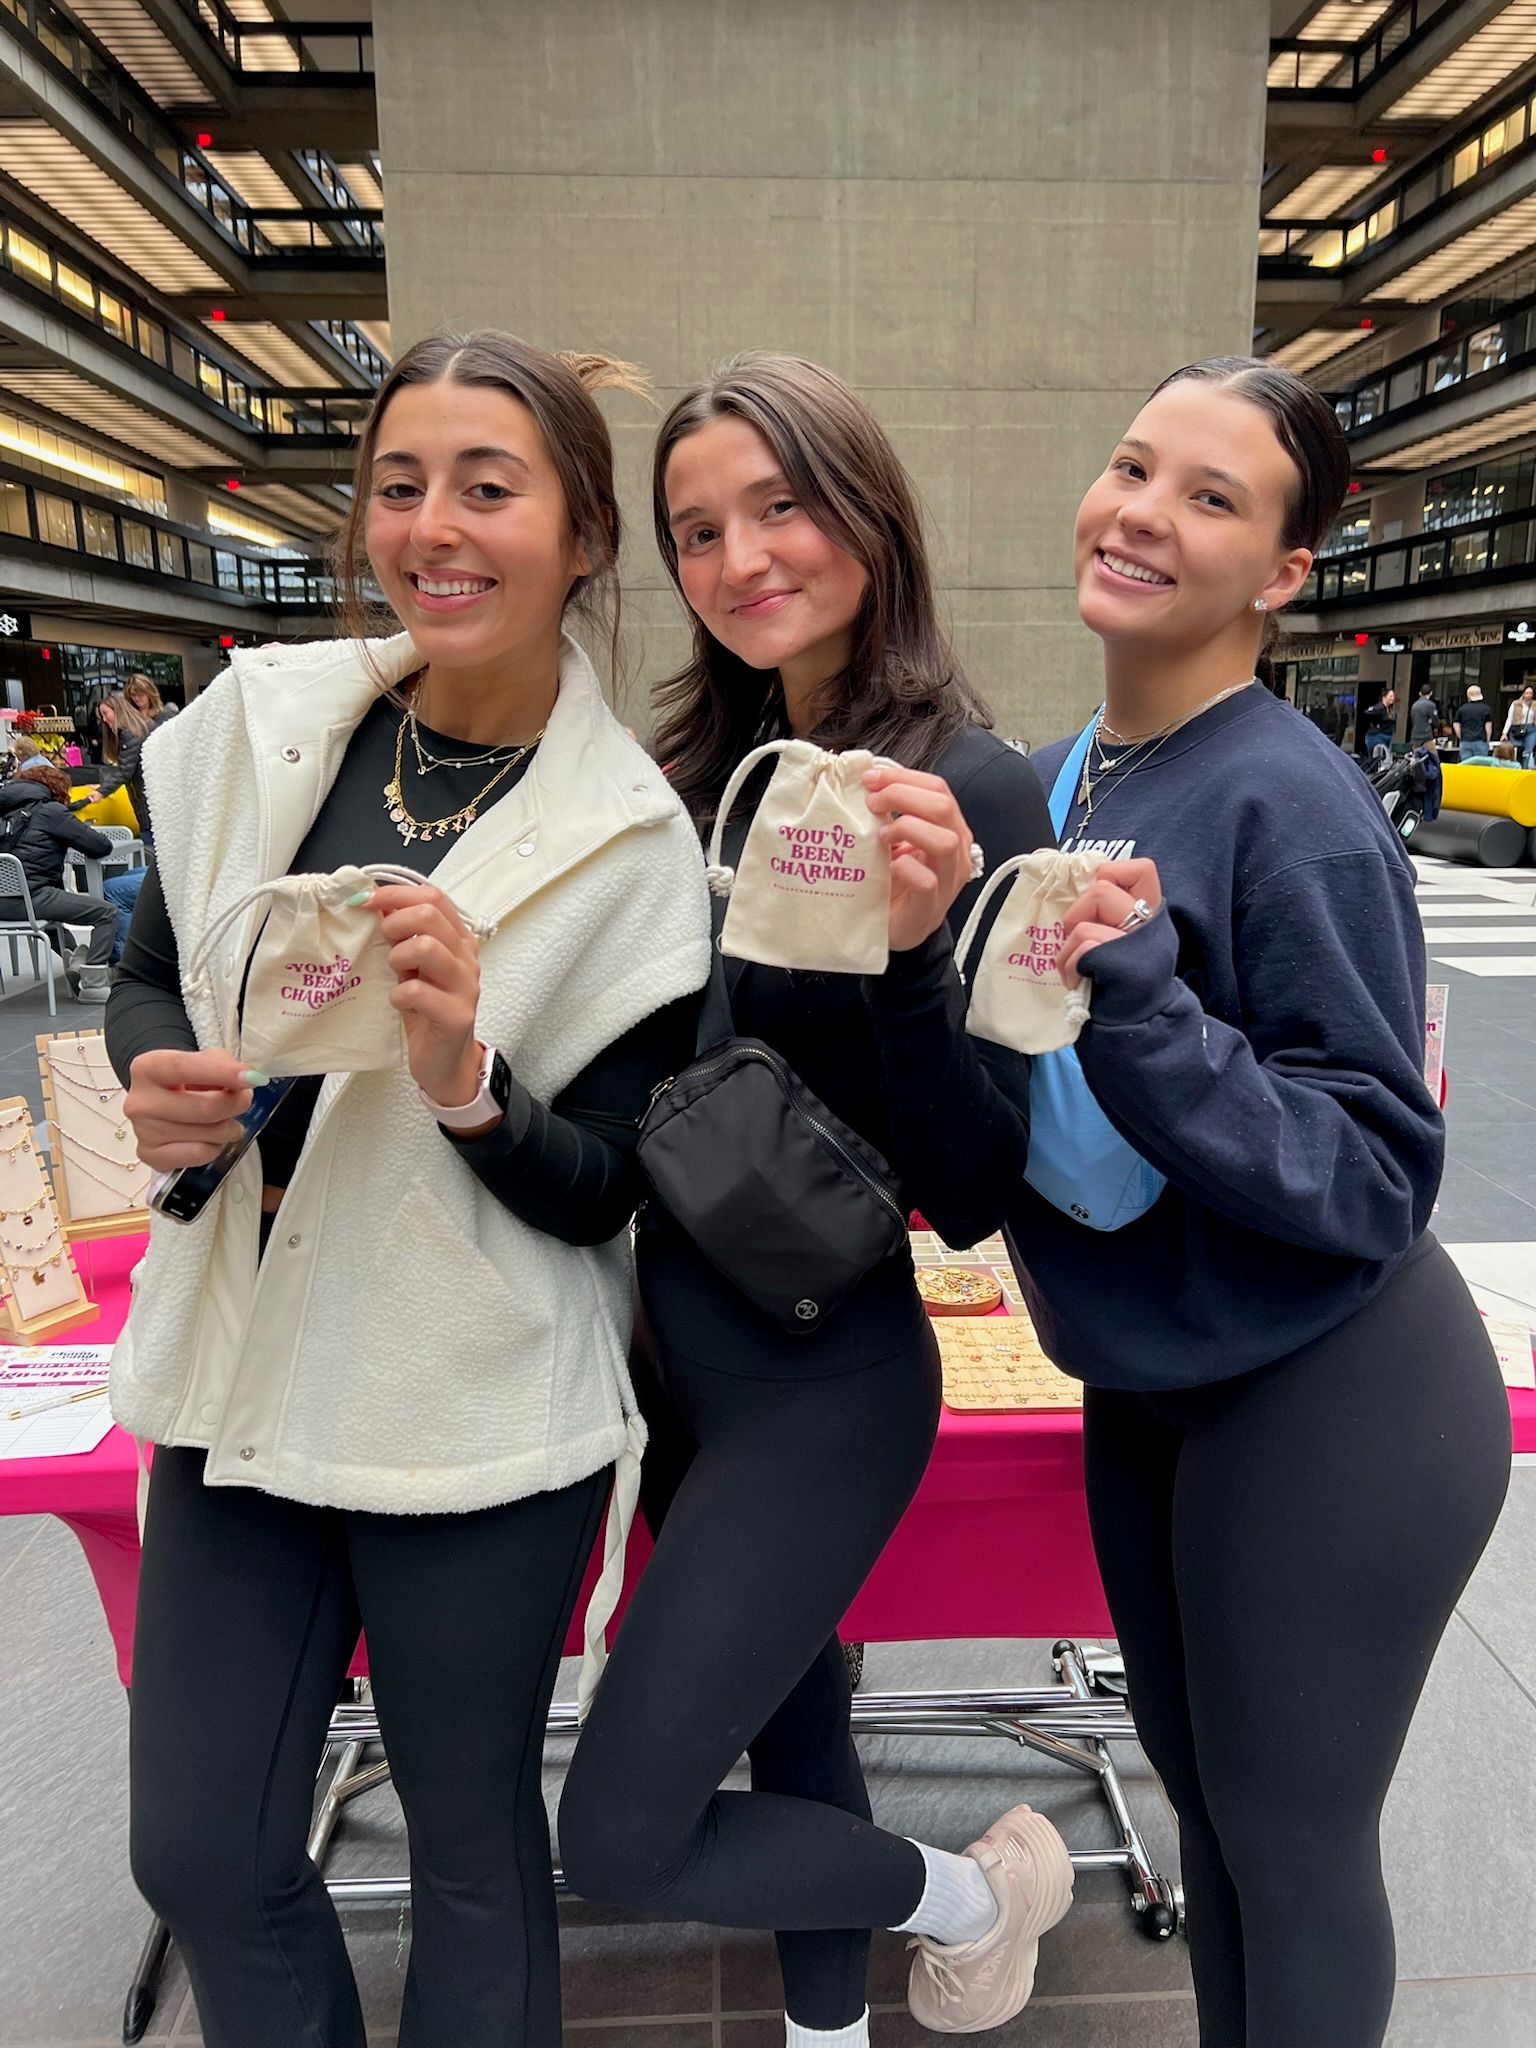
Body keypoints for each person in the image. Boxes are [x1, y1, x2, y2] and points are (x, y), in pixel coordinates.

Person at [105, 330, 713, 2048]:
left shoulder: (627, 840)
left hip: (469, 1398)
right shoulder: (265, 726)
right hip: (247, 1356)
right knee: (205, 1850)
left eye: (488, 486)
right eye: (399, 483)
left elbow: (605, 1192)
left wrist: (465, 1082)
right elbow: (157, 967)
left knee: (466, 1850)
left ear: (584, 536)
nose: (434, 525)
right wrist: (164, 1073)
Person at [559, 353, 1069, 2048]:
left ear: (867, 512)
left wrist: (918, 959)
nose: (742, 554)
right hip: (677, 1365)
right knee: (795, 1719)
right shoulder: (690, 769)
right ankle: (829, 2031)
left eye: (780, 503)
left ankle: (983, 1894)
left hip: (825, 1380)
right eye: (698, 526)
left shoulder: (966, 788)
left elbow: (976, 1183)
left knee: (621, 1829)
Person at [1003, 356, 1510, 2048]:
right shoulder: (1078, 768)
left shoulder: (1286, 796)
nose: (1142, 510)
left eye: (1210, 497)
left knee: (1289, 1848)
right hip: (1157, 1373)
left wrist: (1144, 1000)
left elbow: (1372, 1163)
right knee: (1212, 1825)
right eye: (1135, 464)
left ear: (1284, 573)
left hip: (1330, 1381)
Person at [0, 757, 118, 1000]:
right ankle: (94, 983)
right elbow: (100, 846)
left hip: (5, 903)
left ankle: (76, 958)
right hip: (31, 899)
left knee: (53, 917)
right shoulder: (50, 811)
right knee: (106, 913)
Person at [94, 692, 157, 840]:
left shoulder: (129, 734)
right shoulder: (140, 728)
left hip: (146, 803)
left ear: (117, 710)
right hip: (151, 801)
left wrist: (101, 791)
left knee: (150, 846)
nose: (104, 719)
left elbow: (125, 770)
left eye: (105, 713)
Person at [1454, 682, 1494, 759]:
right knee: (1480, 767)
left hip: (1465, 741)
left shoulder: (1462, 709)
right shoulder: (1486, 709)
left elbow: (1456, 724)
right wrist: (1487, 740)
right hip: (1481, 741)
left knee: (1466, 767)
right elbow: (1488, 726)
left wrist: (1461, 736)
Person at [1502, 683, 1536, 768]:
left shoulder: (1535, 704)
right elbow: (1509, 718)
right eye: (1526, 693)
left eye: (1530, 693)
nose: (1528, 695)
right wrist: (1504, 733)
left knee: (1528, 751)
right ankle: (1516, 766)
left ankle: (1525, 767)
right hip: (1517, 728)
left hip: (1531, 728)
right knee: (1516, 749)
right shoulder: (1516, 703)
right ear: (1523, 693)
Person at [1362, 686, 1395, 763]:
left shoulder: (1389, 709)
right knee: (1379, 760)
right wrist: (1375, 723)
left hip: (1387, 737)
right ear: (1384, 697)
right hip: (1377, 737)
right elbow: (1367, 712)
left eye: (1393, 696)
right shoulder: (1379, 708)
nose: (1393, 698)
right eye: (1390, 696)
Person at [1407, 682, 1438, 747]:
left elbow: (1413, 719)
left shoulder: (1414, 705)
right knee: (1432, 756)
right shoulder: (1431, 705)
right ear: (1431, 693)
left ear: (1420, 693)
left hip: (1415, 736)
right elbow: (1435, 721)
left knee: (1417, 756)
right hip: (1426, 737)